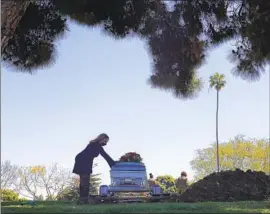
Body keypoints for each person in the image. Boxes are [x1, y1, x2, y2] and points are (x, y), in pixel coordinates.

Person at [72, 133, 115, 204]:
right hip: (83, 161)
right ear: (102, 138)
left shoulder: (97, 145)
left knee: (84, 181)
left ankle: (82, 199)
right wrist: (113, 164)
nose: (106, 143)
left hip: (84, 160)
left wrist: (112, 163)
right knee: (85, 181)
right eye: (106, 141)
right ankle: (84, 200)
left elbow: (105, 155)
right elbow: (105, 155)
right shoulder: (95, 144)